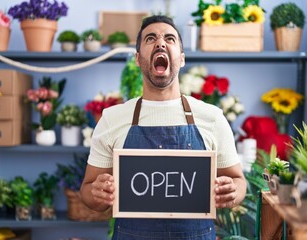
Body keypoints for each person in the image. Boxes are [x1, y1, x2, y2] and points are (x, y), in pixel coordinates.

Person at [80, 15, 247, 239]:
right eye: (151, 38)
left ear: (182, 58)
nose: (160, 43)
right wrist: (97, 192)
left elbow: (238, 181)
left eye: (170, 38)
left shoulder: (212, 118)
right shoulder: (112, 119)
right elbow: (87, 191)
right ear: (138, 59)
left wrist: (233, 191)